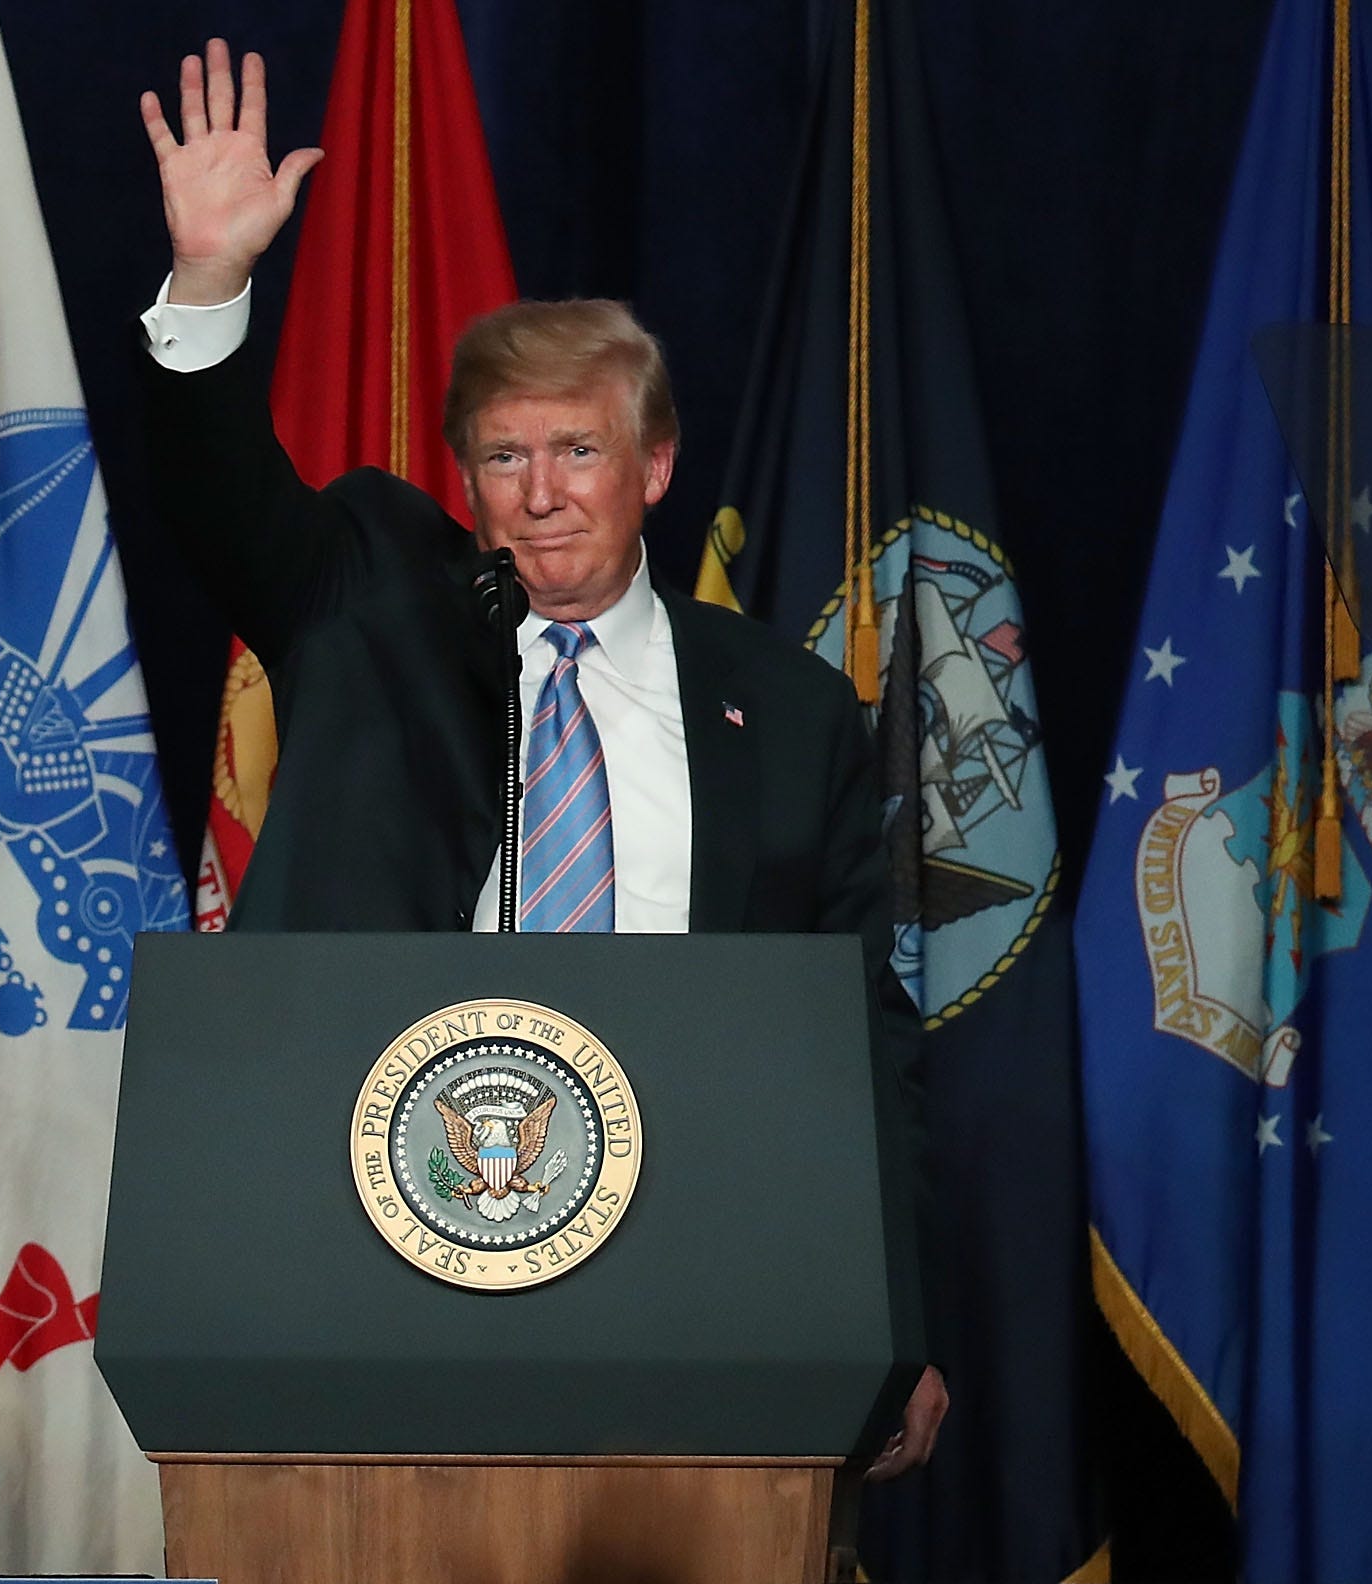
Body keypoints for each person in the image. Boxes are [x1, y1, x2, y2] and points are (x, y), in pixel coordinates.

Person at [135, 40, 945, 1477]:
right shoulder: (373, 595)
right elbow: (219, 498)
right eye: (504, 457)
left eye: (579, 451)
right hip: (367, 1254)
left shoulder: (794, 710)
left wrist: (892, 1323)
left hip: (697, 1288)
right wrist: (207, 284)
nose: (542, 495)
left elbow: (858, 1045)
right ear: (462, 476)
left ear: (655, 467)